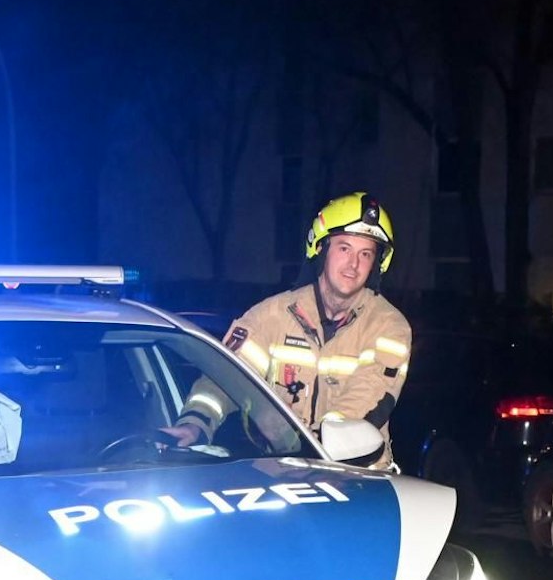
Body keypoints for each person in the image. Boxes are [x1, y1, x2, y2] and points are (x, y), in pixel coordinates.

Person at [163, 192, 411, 468]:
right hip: (279, 477)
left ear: (377, 264)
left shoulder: (389, 326)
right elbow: (227, 378)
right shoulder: (270, 317)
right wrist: (195, 423)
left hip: (358, 480)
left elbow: (367, 396)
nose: (354, 264)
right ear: (320, 248)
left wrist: (310, 447)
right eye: (344, 248)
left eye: (365, 254)